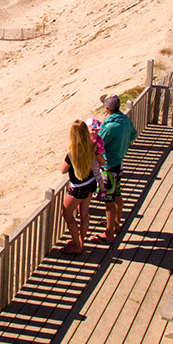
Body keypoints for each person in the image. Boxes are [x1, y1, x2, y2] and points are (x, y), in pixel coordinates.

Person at [94, 94, 135, 243]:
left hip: (109, 167)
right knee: (117, 194)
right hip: (119, 162)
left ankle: (109, 233)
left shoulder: (110, 126)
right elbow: (133, 134)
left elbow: (98, 144)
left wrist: (103, 125)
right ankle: (116, 223)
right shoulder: (124, 120)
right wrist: (122, 146)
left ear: (106, 108)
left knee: (109, 201)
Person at [60, 119, 100, 254]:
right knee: (84, 213)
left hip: (77, 187)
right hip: (90, 183)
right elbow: (102, 162)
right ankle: (80, 240)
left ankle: (77, 245)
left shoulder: (73, 152)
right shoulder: (93, 147)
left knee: (66, 214)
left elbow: (63, 170)